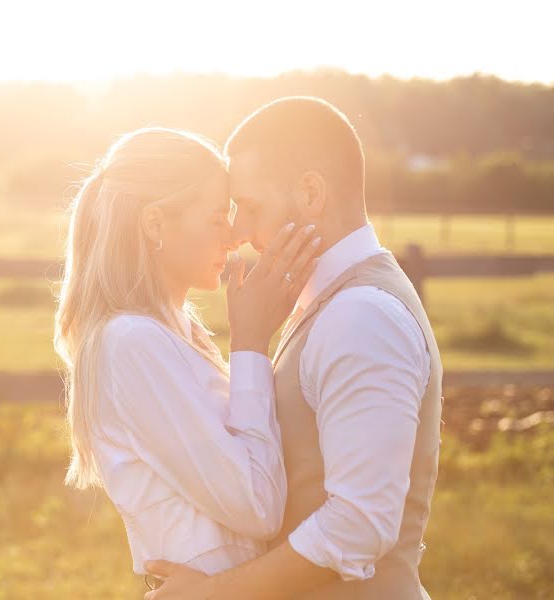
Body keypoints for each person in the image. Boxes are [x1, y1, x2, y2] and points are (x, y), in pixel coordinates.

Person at [143, 97, 443, 599]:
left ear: (310, 193)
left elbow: (358, 526)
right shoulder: (330, 303)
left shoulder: (361, 315)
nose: (238, 232)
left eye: (251, 208)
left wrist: (212, 595)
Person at [53, 127, 321, 589]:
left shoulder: (180, 334)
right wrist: (252, 342)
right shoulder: (131, 343)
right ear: (155, 224)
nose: (233, 236)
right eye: (217, 218)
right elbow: (257, 506)